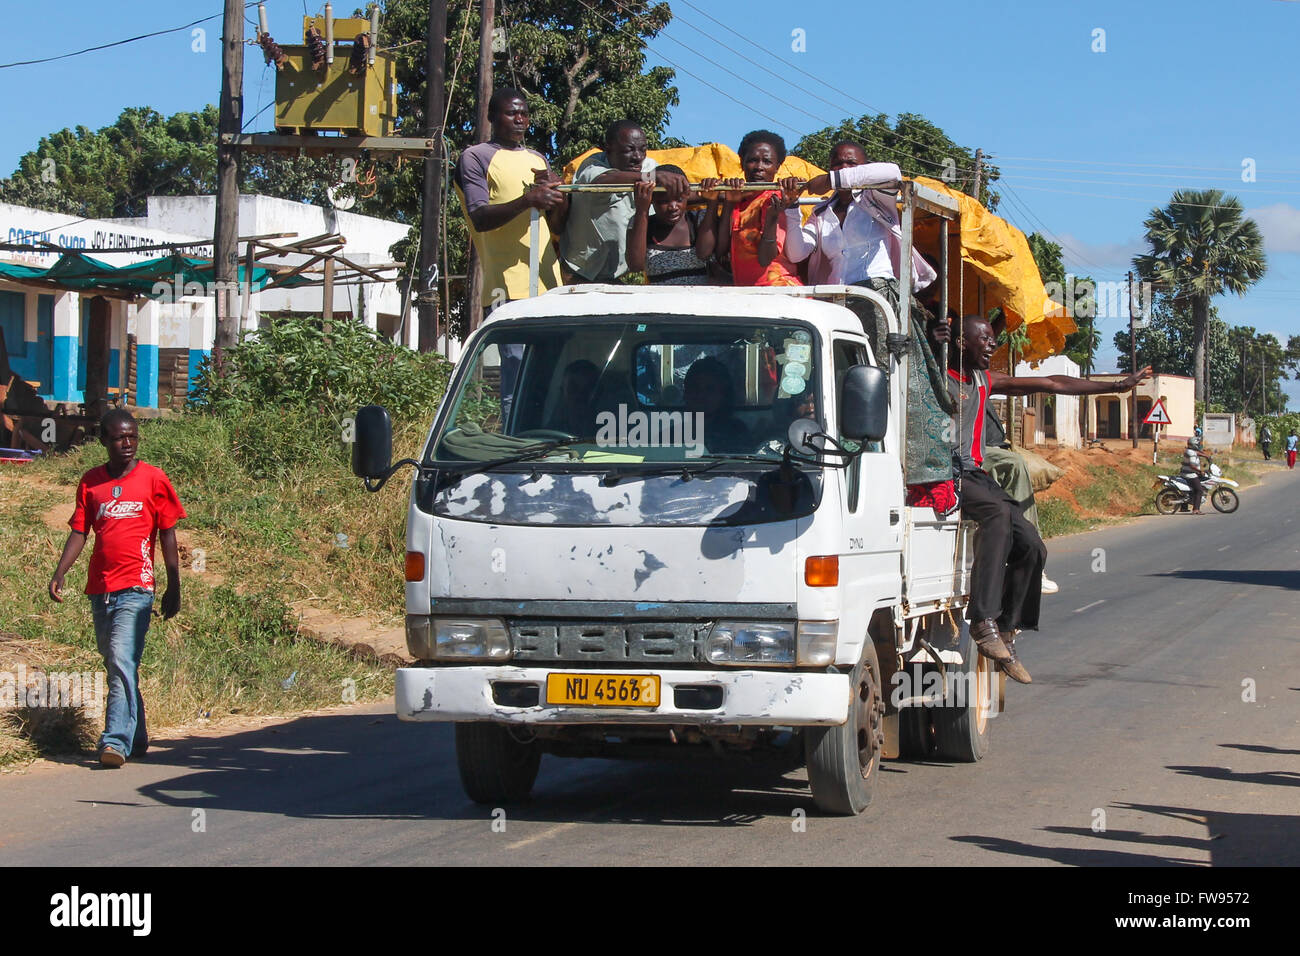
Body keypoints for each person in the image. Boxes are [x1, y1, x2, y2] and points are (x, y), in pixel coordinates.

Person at [943, 314, 1151, 684]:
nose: (993, 345)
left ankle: (1006, 630)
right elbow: (919, 356)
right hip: (946, 472)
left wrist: (1118, 385)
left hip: (975, 473)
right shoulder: (935, 376)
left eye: (993, 339)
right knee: (996, 515)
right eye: (985, 339)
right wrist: (934, 337)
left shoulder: (984, 379)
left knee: (1033, 547)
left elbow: (1053, 381)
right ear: (961, 343)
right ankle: (983, 622)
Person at [48, 410, 185, 767]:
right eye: (119, 438)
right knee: (117, 663)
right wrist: (61, 572)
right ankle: (137, 737)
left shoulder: (154, 479)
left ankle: (114, 742)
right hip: (100, 588)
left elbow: (168, 532)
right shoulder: (91, 482)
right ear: (104, 441)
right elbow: (80, 531)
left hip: (138, 587)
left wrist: (174, 585)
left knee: (123, 659)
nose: (127, 444)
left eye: (132, 437)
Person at [454, 87, 567, 314]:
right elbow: (480, 218)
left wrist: (561, 196)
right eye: (511, 113)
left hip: (549, 286)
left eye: (524, 114)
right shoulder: (476, 156)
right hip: (505, 290)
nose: (519, 120)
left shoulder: (537, 159)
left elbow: (557, 226)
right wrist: (528, 200)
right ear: (491, 117)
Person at [560, 121, 689, 283]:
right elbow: (604, 180)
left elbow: (678, 194)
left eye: (643, 150)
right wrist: (651, 177)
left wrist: (715, 193)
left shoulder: (650, 167)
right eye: (629, 150)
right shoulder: (592, 166)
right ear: (608, 149)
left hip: (619, 274)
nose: (638, 157)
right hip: (580, 270)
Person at [701, 130, 802, 286]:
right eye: (752, 160)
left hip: (778, 291)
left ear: (777, 167)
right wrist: (728, 202)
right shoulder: (739, 200)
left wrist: (772, 217)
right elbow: (722, 252)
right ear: (742, 163)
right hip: (750, 295)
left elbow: (765, 258)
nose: (759, 167)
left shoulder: (778, 199)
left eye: (767, 161)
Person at [627, 167, 717, 285]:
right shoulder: (642, 222)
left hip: (698, 300)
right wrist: (642, 210)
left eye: (679, 199)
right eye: (663, 201)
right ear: (652, 199)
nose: (673, 207)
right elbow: (636, 265)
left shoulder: (698, 220)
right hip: (660, 300)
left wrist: (712, 200)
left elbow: (704, 253)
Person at [683, 357, 752, 453]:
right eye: (695, 388)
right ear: (686, 393)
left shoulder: (736, 432)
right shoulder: (670, 436)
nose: (701, 395)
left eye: (709, 389)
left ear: (723, 394)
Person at [1179, 440, 1208, 514]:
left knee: (1192, 489)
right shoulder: (1191, 453)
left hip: (1185, 473)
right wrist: (1200, 471)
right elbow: (1192, 466)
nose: (1198, 445)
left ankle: (1184, 507)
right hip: (1190, 474)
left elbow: (1197, 453)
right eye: (1197, 444)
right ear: (1194, 445)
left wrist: (1205, 456)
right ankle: (1196, 509)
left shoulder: (1189, 451)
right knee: (1199, 490)